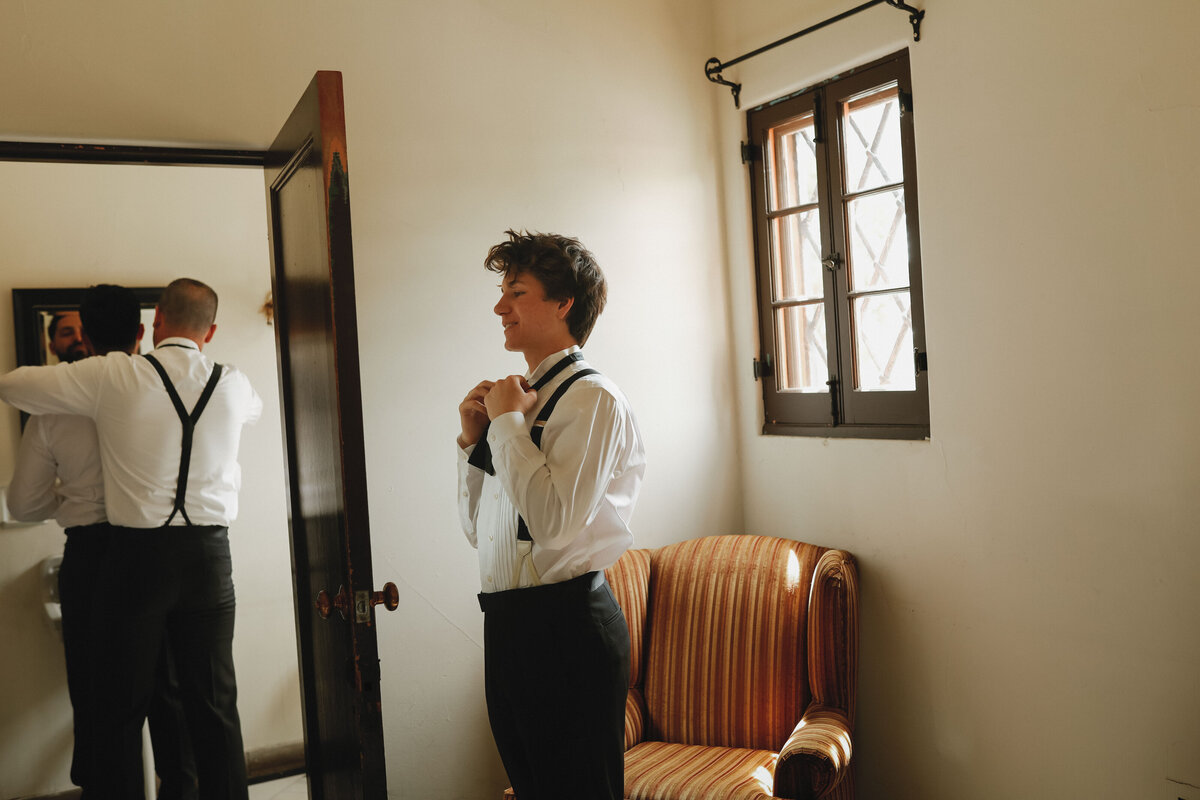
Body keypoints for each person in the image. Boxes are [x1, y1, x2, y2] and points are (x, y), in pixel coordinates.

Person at [0, 278, 262, 800]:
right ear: (211, 331)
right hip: (212, 558)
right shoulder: (233, 383)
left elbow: (12, 385)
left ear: (158, 320)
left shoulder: (117, 377)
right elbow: (251, 411)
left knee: (117, 708)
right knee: (213, 704)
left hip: (139, 557)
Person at [456, 229, 646, 800]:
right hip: (509, 628)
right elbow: (478, 533)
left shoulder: (594, 400)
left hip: (567, 632)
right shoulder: (513, 400)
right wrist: (472, 444)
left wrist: (509, 425)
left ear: (564, 303)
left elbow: (555, 523)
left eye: (516, 291)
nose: (499, 307)